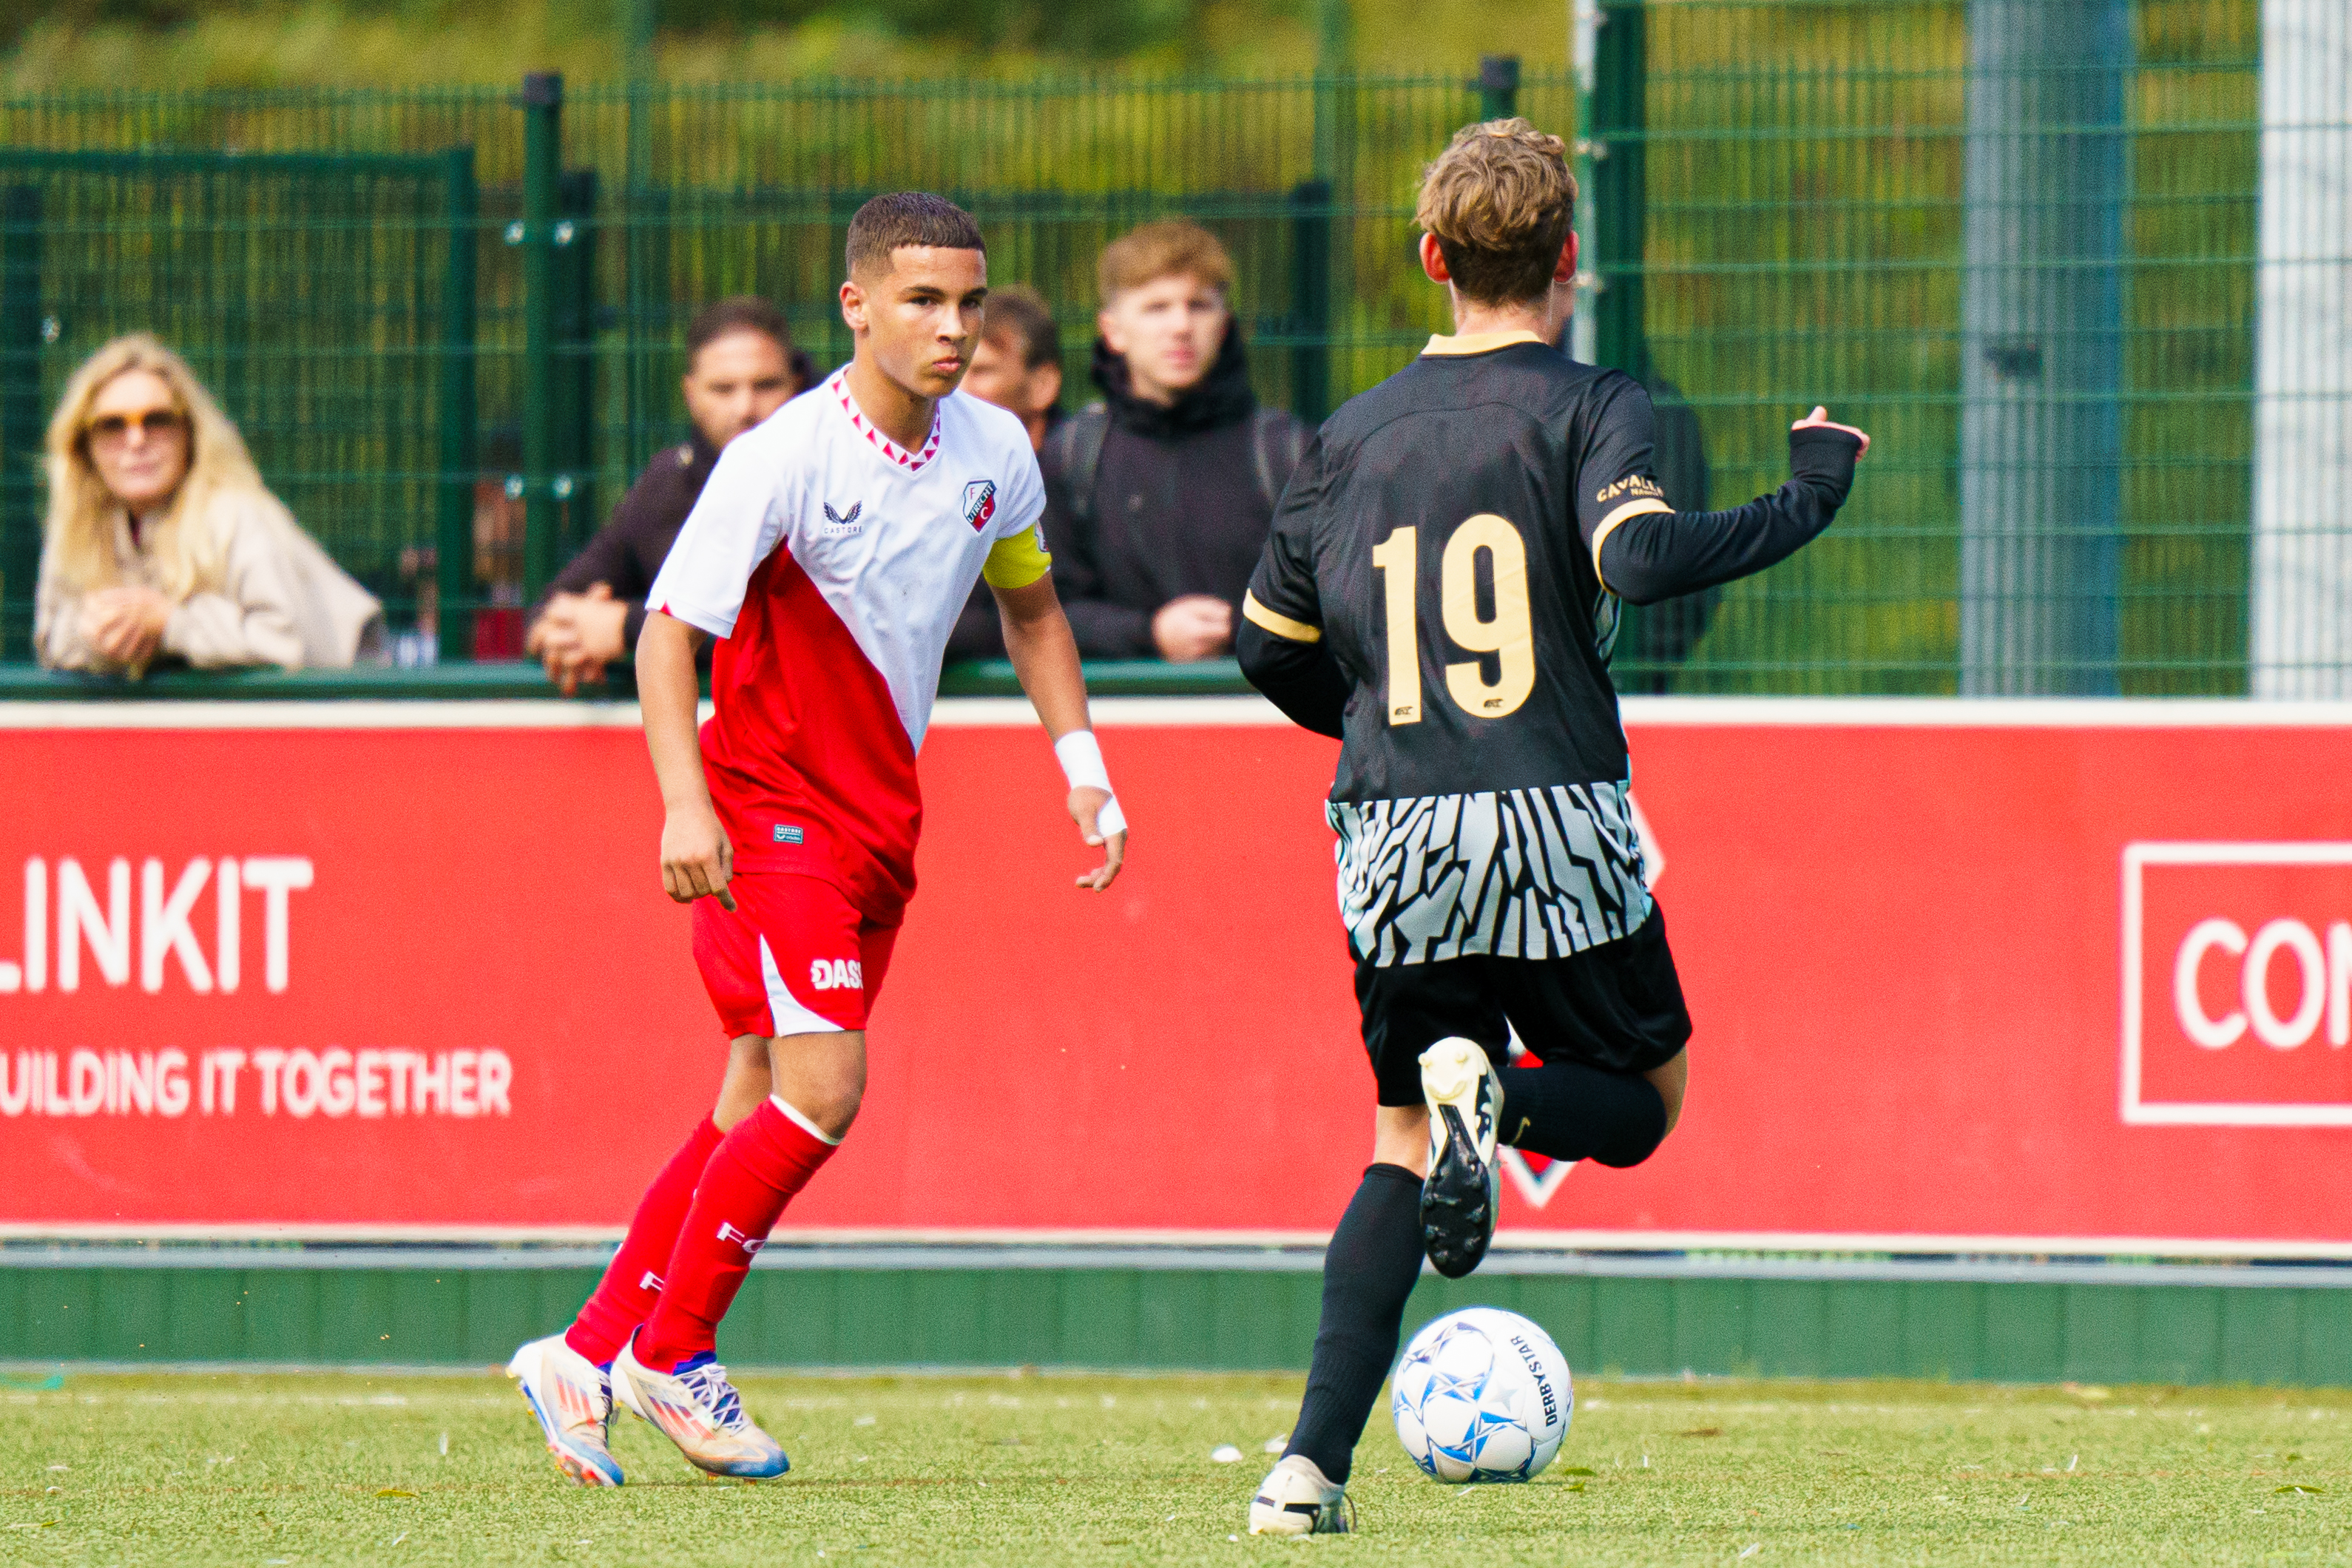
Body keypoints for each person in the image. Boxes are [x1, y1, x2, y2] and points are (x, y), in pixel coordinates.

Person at [1234, 118, 1868, 1535]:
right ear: (1568, 258)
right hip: (1554, 814)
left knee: (1399, 1132)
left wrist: (1386, 724)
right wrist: (1806, 494)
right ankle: (1507, 1101)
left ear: (1431, 261)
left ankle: (1305, 1473)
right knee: (1644, 1103)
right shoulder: (1591, 403)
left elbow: (1265, 649)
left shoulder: (1348, 437)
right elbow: (1635, 559)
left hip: (1391, 829)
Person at [504, 193, 1129, 1487]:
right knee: (825, 1089)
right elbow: (667, 632)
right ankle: (672, 1351)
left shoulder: (997, 451)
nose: (953, 326)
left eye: (969, 301)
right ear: (855, 306)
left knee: (754, 1092)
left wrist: (1084, 768)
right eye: (921, 301)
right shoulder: (783, 456)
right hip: (769, 804)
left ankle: (585, 1347)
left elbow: (1034, 615)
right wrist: (684, 803)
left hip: (876, 814)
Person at [35, 333, 385, 675]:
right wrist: (98, 631)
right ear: (84, 446)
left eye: (157, 420)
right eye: (112, 425)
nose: (137, 440)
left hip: (348, 714)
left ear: (190, 432)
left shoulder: (236, 514)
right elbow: (51, 641)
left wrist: (171, 624)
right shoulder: (75, 527)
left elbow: (281, 644)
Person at [1044, 220, 1306, 663]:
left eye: (1199, 306)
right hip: (1119, 724)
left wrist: (1245, 628)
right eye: (1156, 307)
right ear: (1114, 330)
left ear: (1223, 327)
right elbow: (1037, 615)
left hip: (1266, 723)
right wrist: (1148, 634)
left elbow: (1335, 602)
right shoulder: (1069, 457)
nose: (1181, 325)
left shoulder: (1287, 452)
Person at [524, 297, 814, 695]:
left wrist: (623, 628)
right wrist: (565, 635)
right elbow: (557, 602)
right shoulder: (665, 486)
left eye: (765, 385)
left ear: (797, 386)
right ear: (691, 393)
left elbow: (802, 638)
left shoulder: (834, 482)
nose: (745, 408)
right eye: (723, 389)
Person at [947, 283, 1064, 660]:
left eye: (980, 371)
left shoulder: (1075, 481)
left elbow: (1054, 615)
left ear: (1043, 385)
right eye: (954, 369)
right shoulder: (930, 475)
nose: (956, 391)